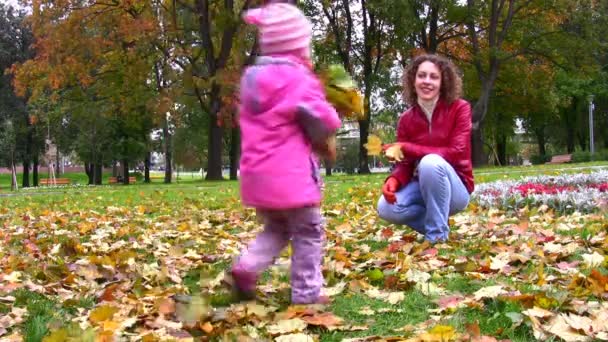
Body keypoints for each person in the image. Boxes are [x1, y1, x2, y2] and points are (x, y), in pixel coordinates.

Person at [227, 2, 341, 304]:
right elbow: (325, 121)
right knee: (309, 231)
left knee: (277, 227)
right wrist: (335, 111)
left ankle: (246, 266)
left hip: (257, 176)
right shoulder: (300, 80)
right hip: (291, 178)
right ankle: (307, 293)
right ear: (298, 46)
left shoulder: (251, 80)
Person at [377, 54, 474, 244]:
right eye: (422, 75)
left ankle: (436, 237)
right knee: (385, 208)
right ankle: (437, 224)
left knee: (430, 163)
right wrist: (394, 179)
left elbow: (456, 152)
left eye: (433, 77)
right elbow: (405, 163)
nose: (427, 81)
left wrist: (406, 147)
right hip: (422, 186)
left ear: (443, 82)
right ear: (413, 80)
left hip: (456, 188)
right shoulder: (406, 119)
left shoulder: (460, 108)